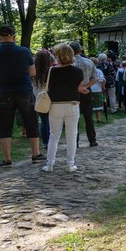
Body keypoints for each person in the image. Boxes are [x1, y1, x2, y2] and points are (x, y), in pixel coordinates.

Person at [0, 25, 45, 167]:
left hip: (3, 91)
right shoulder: (24, 51)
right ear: (14, 36)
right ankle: (35, 154)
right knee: (31, 121)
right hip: (24, 90)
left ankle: (7, 159)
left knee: (4, 126)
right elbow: (32, 73)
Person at [42, 43, 88, 172]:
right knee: (72, 136)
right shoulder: (77, 71)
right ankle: (70, 164)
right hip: (72, 104)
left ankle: (50, 164)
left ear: (57, 55)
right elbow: (79, 87)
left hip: (55, 105)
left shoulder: (51, 71)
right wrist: (82, 90)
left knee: (54, 135)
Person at [70, 41, 99, 147]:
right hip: (86, 90)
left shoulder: (69, 62)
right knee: (88, 116)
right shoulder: (89, 62)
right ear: (80, 50)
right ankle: (92, 140)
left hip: (73, 92)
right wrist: (85, 87)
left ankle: (75, 141)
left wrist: (78, 88)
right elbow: (96, 78)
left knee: (73, 117)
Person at [32, 50, 53, 149]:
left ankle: (45, 142)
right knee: (49, 120)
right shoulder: (50, 71)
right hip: (49, 97)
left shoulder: (33, 71)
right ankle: (50, 141)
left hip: (37, 97)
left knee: (43, 121)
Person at [90, 57, 106, 123]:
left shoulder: (88, 71)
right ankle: (98, 119)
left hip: (89, 89)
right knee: (97, 104)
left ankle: (91, 119)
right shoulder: (99, 71)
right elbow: (102, 80)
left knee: (90, 105)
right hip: (98, 89)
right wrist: (103, 88)